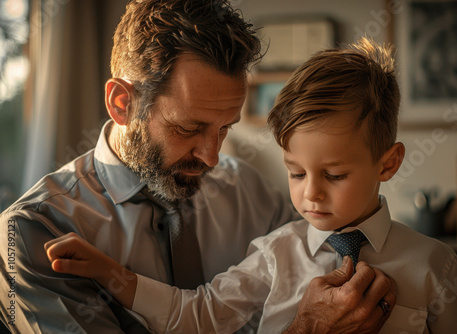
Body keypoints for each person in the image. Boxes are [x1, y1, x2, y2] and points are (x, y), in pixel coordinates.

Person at [0, 1, 394, 333]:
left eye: (225, 129)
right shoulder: (32, 231)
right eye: (189, 128)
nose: (212, 157)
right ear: (122, 103)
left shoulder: (248, 192)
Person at [44, 37, 457, 333]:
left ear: (389, 163)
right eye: (296, 172)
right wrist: (110, 273)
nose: (311, 193)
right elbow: (195, 315)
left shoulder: (435, 264)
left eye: (335, 175)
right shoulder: (274, 255)